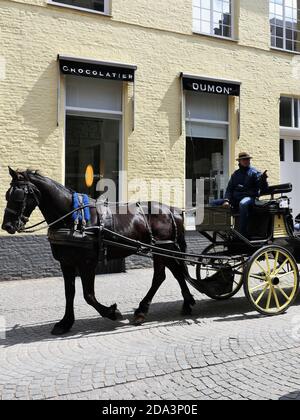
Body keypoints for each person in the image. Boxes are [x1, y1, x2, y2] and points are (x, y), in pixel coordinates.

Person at [212, 152, 269, 238]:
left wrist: (264, 180)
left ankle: (242, 233)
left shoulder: (255, 173)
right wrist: (226, 200)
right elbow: (229, 189)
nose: (246, 161)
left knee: (243, 203)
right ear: (240, 161)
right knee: (213, 203)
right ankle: (222, 229)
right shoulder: (235, 174)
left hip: (250, 198)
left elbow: (263, 188)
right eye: (244, 159)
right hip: (235, 199)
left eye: (248, 159)